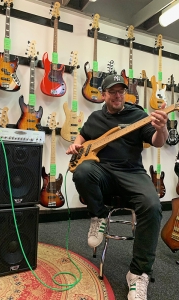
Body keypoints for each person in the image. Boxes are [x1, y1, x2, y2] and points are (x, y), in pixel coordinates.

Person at [66, 74, 168, 300]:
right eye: (113, 91)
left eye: (121, 91)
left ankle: (138, 273)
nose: (118, 95)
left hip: (132, 172)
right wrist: (76, 144)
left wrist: (162, 128)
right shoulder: (95, 117)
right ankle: (98, 217)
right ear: (103, 95)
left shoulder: (138, 115)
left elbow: (158, 141)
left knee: (152, 206)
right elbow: (82, 135)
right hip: (103, 172)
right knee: (81, 172)